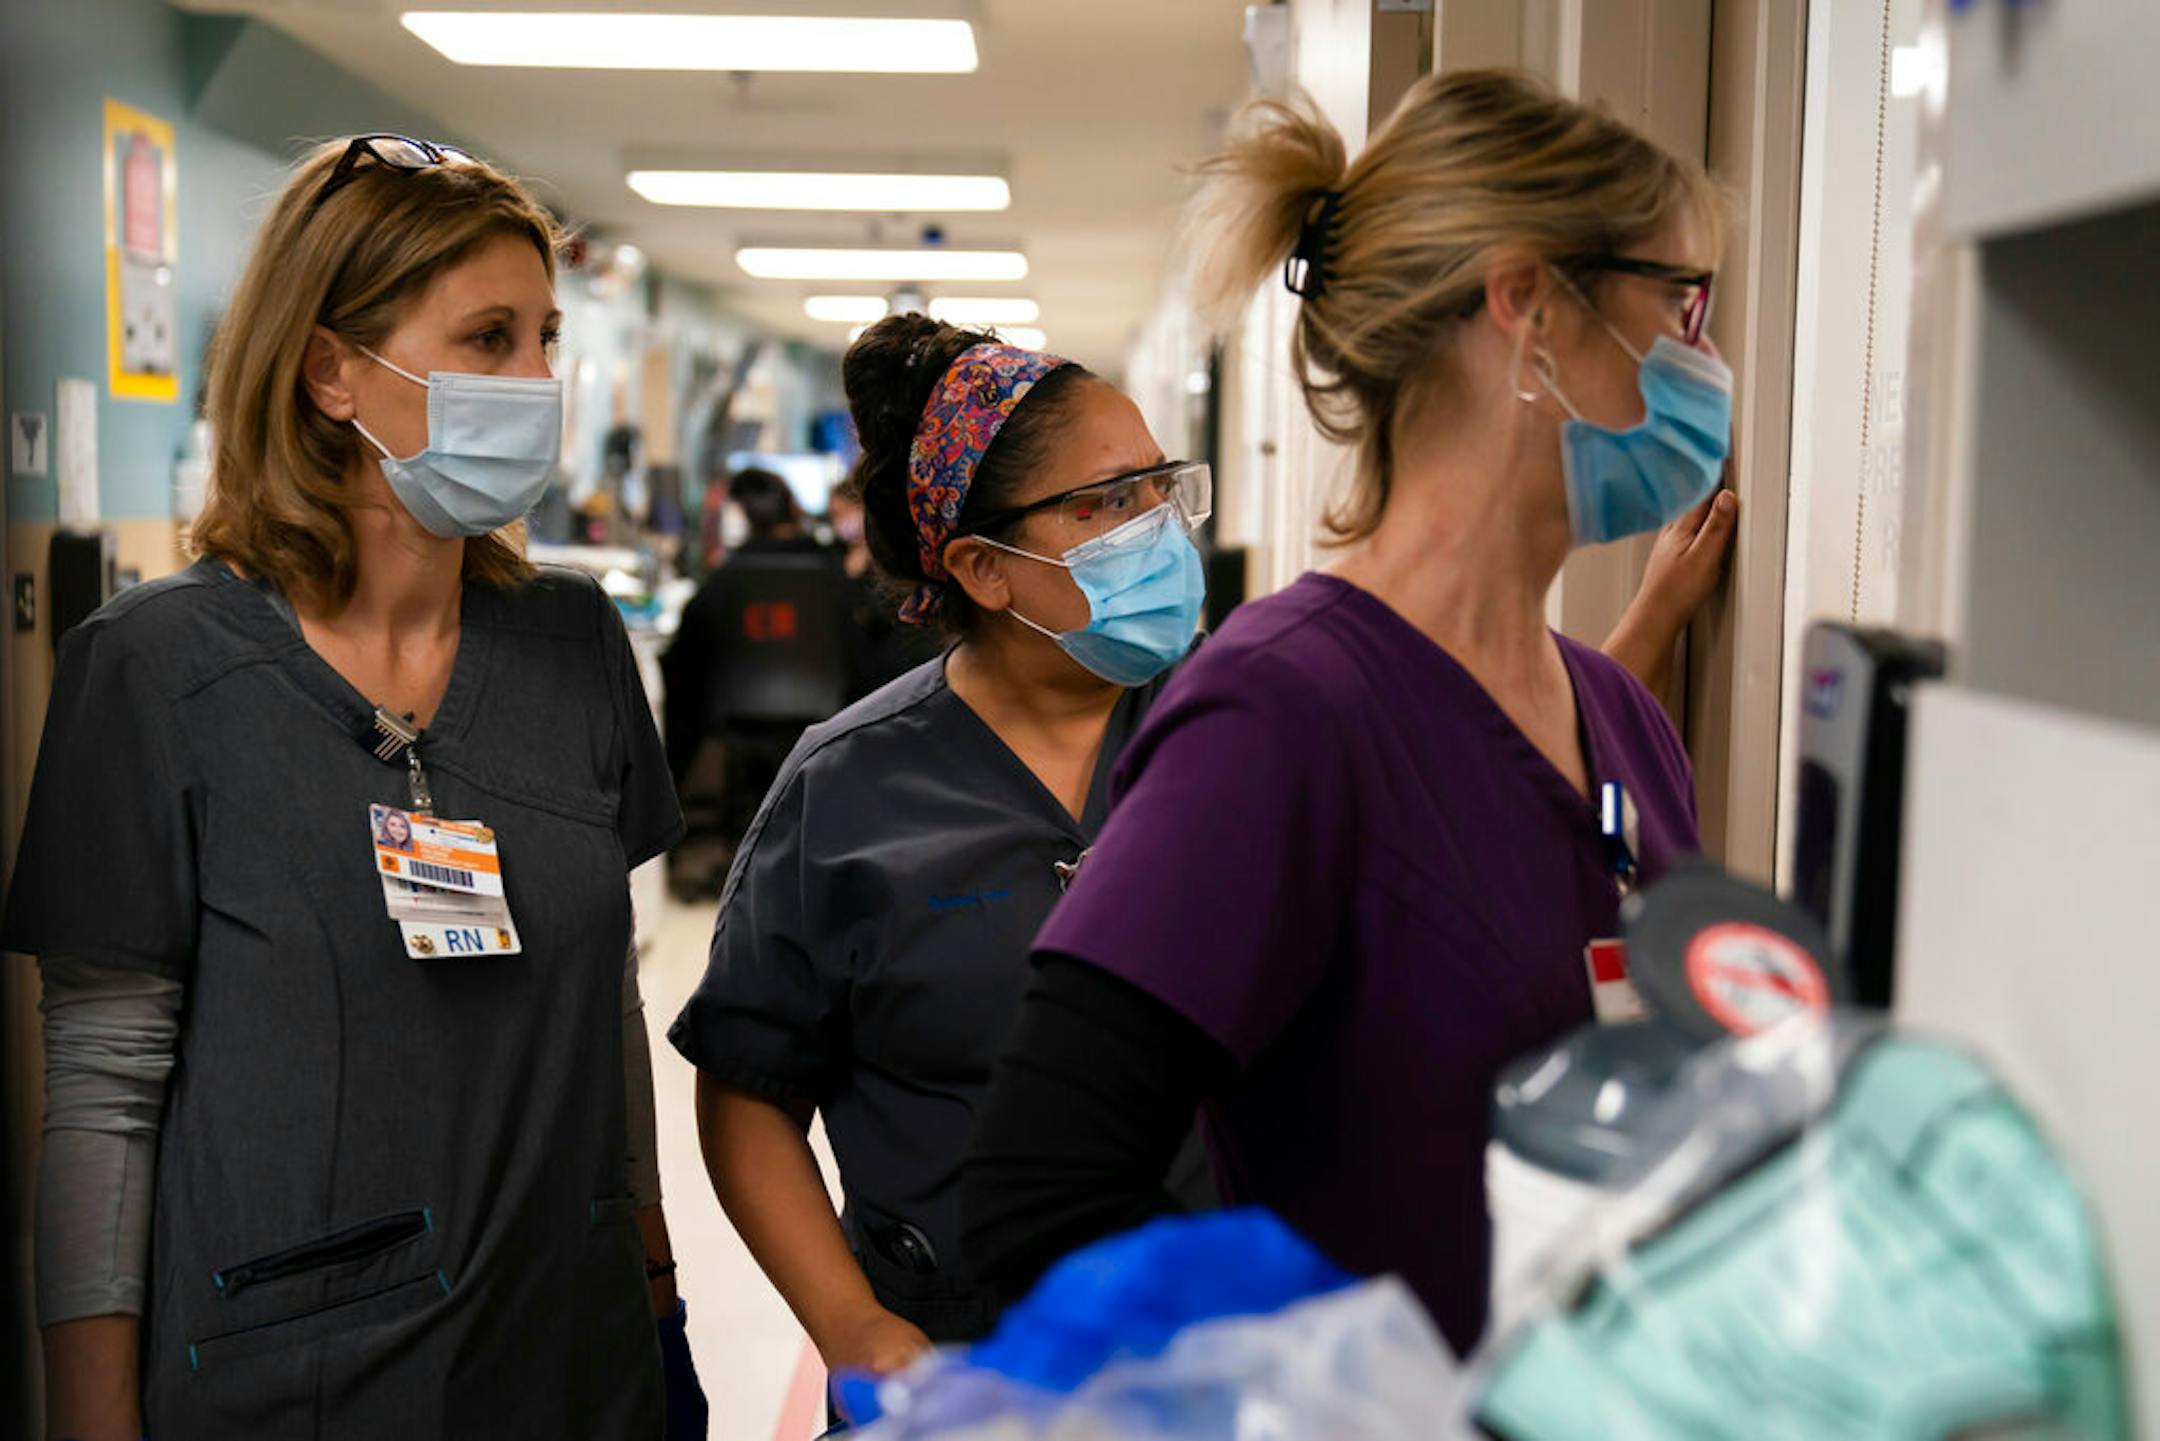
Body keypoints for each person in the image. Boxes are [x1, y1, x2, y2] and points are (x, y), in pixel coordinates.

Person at [667, 296, 1732, 1382]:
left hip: (1238, 1363)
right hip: (965, 1364)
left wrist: (1630, 650)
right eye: (1107, 504)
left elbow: (1482, 767)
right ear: (983, 570)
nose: (1161, 530)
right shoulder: (851, 788)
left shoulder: (1250, 717)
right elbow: (752, 1086)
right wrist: (853, 1328)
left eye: (1160, 489)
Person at [960, 70, 1738, 1358]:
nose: (1705, 362)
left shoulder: (1621, 719)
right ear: (1529, 304)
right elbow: (1037, 1200)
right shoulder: (1287, 710)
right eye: (1680, 304)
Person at [2, 135, 704, 1439]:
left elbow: (603, 1008)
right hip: (297, 1382)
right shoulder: (159, 674)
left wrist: (656, 1291)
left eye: (546, 338)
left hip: (573, 1361)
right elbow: (101, 1098)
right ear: (332, 370)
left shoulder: (570, 646)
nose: (538, 380)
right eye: (490, 338)